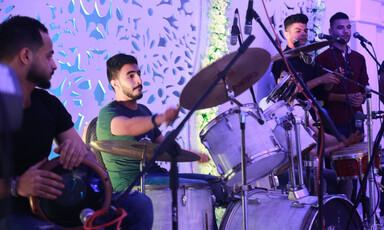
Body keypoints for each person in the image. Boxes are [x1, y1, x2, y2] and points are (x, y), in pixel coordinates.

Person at [0, 16, 153, 230]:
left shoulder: (48, 103)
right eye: (48, 56)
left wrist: (78, 152)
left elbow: (93, 163)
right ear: (26, 56)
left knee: (138, 204)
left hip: (60, 205)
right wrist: (16, 186)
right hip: (13, 214)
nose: (54, 64)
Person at [96, 53, 227, 229]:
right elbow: (127, 127)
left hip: (158, 175)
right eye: (131, 76)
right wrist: (159, 118)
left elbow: (163, 146)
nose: (138, 80)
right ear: (115, 83)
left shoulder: (143, 110)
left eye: (138, 73)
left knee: (214, 184)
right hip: (131, 184)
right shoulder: (108, 113)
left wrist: (192, 154)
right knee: (199, 187)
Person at [315, 12, 369, 139]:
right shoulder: (322, 59)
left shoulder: (359, 58)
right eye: (340, 28)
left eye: (348, 27)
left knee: (360, 157)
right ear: (331, 31)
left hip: (357, 118)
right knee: (337, 157)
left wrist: (362, 97)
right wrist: (345, 98)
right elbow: (320, 95)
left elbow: (365, 88)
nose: (346, 31)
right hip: (334, 120)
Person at [271, 13, 340, 104]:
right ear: (286, 35)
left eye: (306, 31)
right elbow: (291, 91)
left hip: (311, 111)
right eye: (298, 31)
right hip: (293, 111)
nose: (304, 34)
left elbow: (320, 93)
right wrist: (320, 80)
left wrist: (331, 78)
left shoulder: (307, 59)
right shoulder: (281, 60)